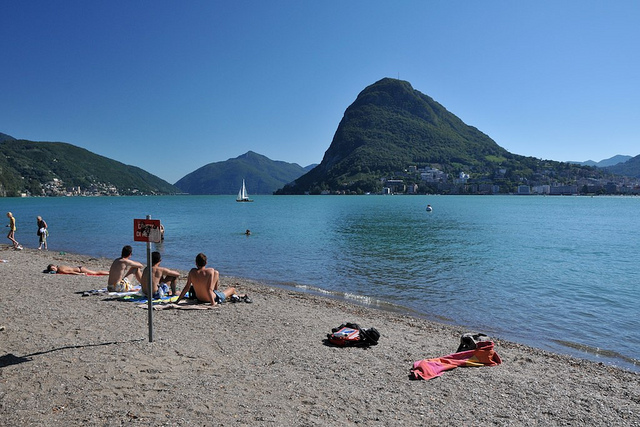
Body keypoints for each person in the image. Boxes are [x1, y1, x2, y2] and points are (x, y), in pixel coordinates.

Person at [176, 252, 251, 306]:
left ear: (196, 263)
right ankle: (235, 296)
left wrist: (178, 301)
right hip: (210, 298)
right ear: (206, 263)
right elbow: (209, 289)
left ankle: (223, 294)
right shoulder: (210, 271)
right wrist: (213, 303)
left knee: (216, 273)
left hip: (199, 298)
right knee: (232, 289)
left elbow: (186, 287)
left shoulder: (192, 271)